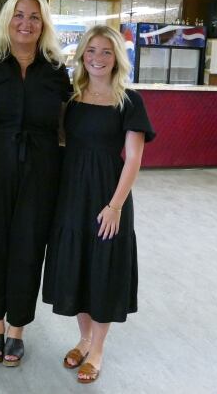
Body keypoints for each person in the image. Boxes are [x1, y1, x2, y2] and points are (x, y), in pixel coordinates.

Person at [42, 25, 155, 384]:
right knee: (78, 265)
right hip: (72, 192)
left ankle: (98, 349)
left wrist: (115, 206)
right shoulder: (72, 97)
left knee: (104, 268)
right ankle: (83, 338)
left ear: (117, 58)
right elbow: (59, 141)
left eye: (106, 51)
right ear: (81, 56)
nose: (97, 58)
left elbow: (134, 158)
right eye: (91, 51)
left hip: (109, 194)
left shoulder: (129, 100)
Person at [0, 0, 70, 367]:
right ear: (7, 20)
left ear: (43, 24)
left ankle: (17, 330)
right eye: (19, 15)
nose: (26, 23)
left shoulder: (57, 72)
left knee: (29, 250)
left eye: (34, 17)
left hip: (41, 174)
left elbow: (68, 125)